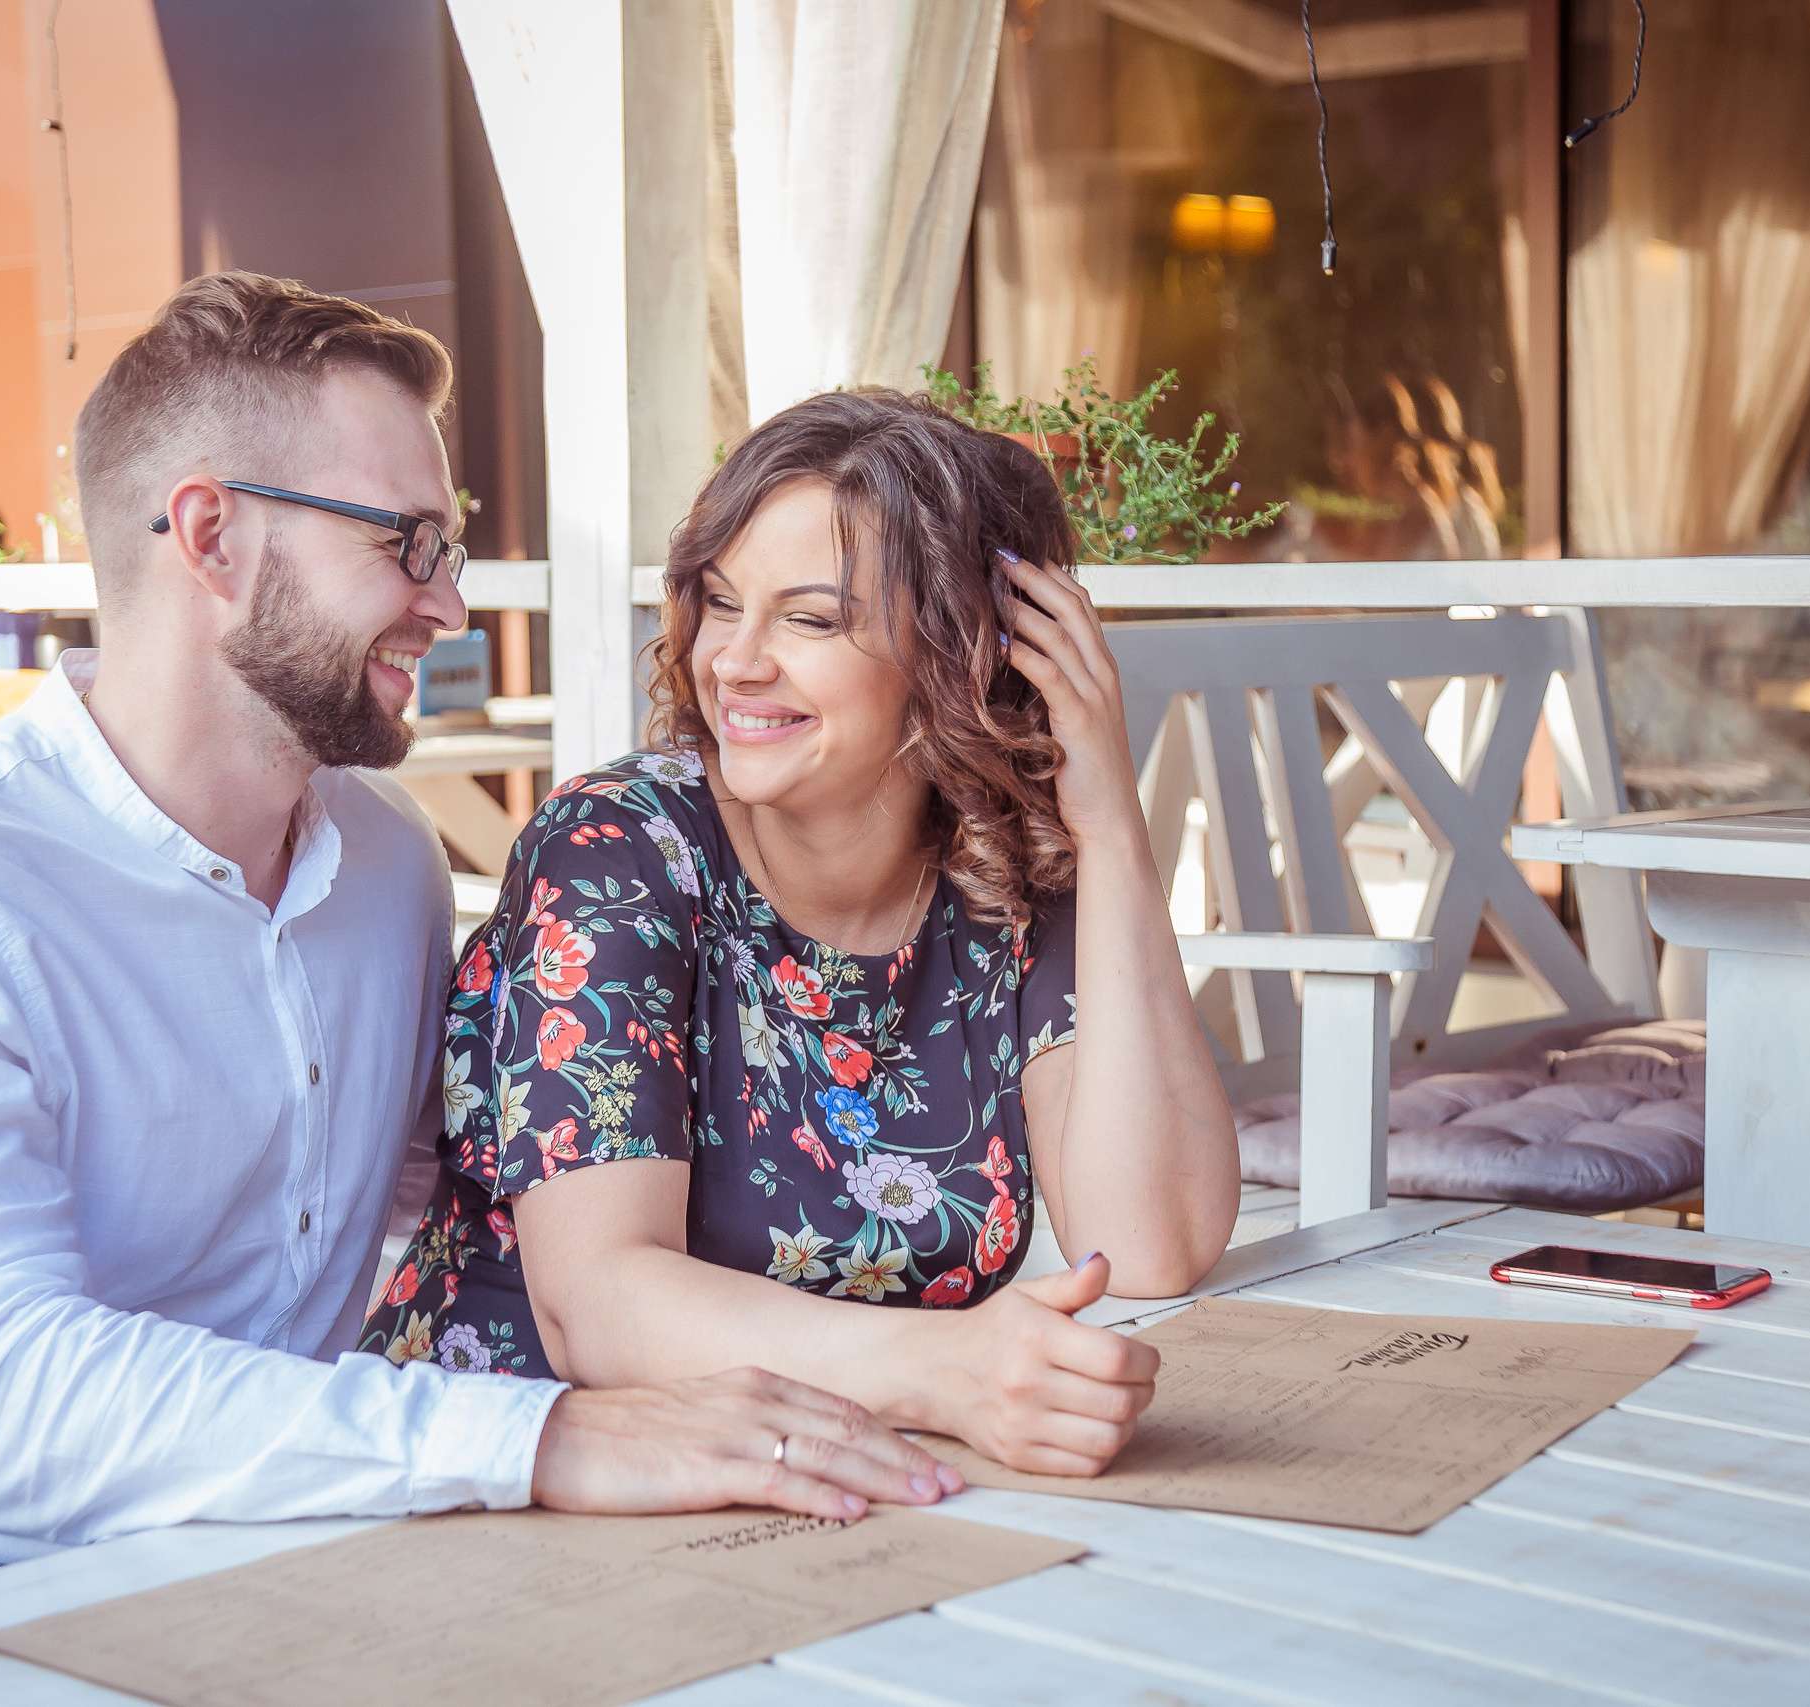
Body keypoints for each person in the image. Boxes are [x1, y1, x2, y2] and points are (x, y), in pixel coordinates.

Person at [0, 273, 953, 1650]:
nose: (449, 604)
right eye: (410, 542)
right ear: (210, 533)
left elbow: (501, 1195)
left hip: (230, 1559)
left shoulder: (379, 866)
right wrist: (548, 1435)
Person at [367, 389, 1242, 1476]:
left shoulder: (1003, 882)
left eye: (811, 619)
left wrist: (1111, 830)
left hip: (842, 1485)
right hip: (511, 1488)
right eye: (722, 602)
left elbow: (1150, 1245)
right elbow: (598, 1303)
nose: (734, 660)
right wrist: (949, 1370)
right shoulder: (620, 850)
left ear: (965, 658)